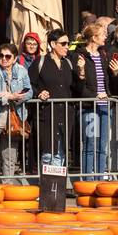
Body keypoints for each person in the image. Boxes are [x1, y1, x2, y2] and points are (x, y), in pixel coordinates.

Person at [29, 27, 78, 165]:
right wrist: (38, 93)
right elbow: (28, 85)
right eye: (63, 44)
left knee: (61, 153)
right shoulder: (40, 62)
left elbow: (76, 89)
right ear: (52, 44)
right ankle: (48, 185)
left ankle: (56, 184)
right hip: (47, 114)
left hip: (66, 114)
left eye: (68, 43)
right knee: (48, 153)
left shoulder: (68, 63)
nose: (67, 47)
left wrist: (81, 74)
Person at [0, 42, 31, 180]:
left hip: (15, 118)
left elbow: (29, 92)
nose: (3, 59)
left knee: (10, 157)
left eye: (7, 56)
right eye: (0, 56)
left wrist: (14, 97)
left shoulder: (22, 70)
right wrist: (9, 96)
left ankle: (8, 185)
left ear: (15, 58)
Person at [73, 20, 113, 177]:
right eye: (103, 34)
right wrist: (81, 70)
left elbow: (105, 80)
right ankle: (88, 179)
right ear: (94, 38)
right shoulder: (80, 55)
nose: (105, 37)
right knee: (90, 144)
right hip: (89, 105)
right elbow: (79, 85)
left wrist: (108, 94)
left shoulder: (102, 55)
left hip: (104, 104)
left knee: (102, 145)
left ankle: (100, 176)